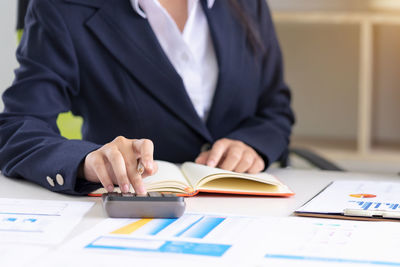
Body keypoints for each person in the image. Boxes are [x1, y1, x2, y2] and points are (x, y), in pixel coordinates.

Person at [0, 0, 294, 195]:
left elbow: (274, 107)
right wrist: (86, 162)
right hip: (134, 210)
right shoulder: (63, 7)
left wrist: (252, 144)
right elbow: (19, 128)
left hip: (246, 208)